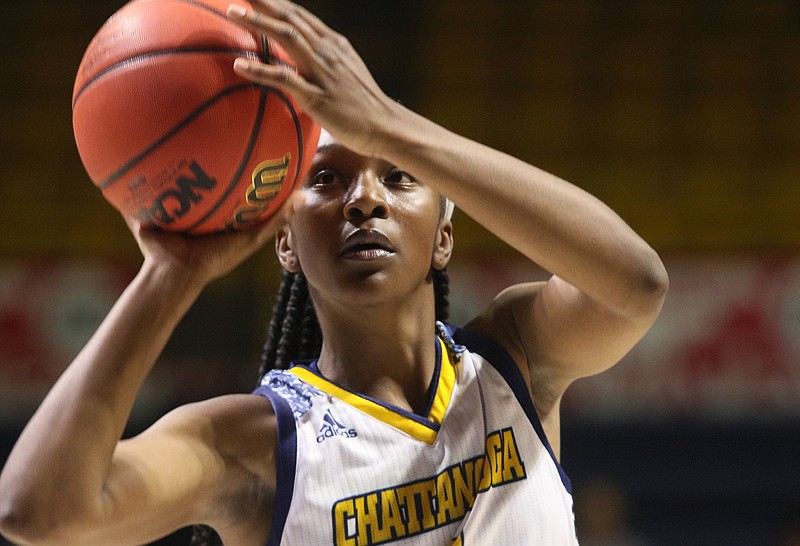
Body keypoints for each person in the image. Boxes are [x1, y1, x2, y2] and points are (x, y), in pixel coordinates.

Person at [0, 0, 668, 545]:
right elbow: (38, 514)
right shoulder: (254, 445)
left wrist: (392, 126)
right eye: (326, 180)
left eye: (398, 177)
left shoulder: (515, 359)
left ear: (444, 238)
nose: (366, 200)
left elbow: (635, 284)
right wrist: (168, 275)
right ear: (285, 243)